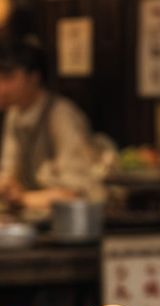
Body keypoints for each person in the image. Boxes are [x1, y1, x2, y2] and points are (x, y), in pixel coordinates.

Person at [0, 33, 95, 200]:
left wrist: (22, 199)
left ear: (34, 78)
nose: (2, 87)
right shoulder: (14, 114)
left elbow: (77, 190)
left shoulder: (61, 115)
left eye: (8, 78)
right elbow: (10, 175)